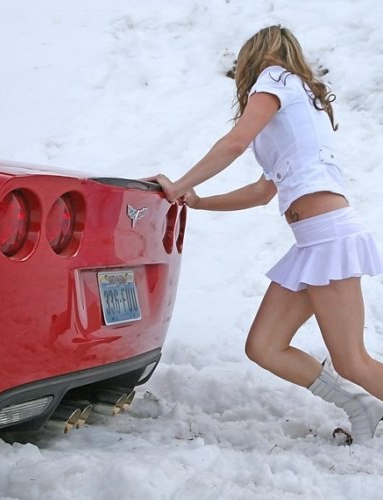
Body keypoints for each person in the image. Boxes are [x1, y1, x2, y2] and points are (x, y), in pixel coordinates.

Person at [152, 25, 383, 443]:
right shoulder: (296, 105)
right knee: (265, 345)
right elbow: (262, 192)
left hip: (329, 237)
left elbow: (235, 142)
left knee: (352, 360)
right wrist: (199, 201)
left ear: (257, 58)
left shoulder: (276, 78)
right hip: (312, 243)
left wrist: (179, 184)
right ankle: (359, 406)